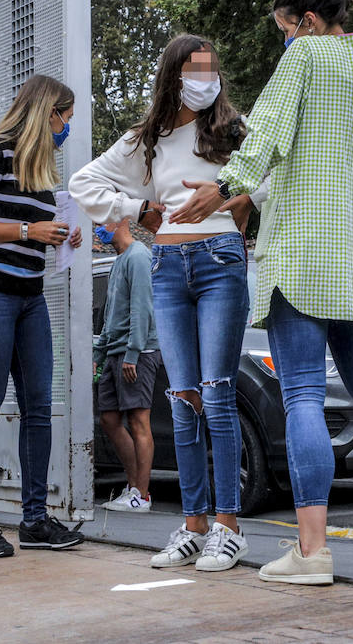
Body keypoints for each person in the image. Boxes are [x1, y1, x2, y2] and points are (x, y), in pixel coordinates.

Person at [171, 0, 353, 586]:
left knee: (300, 396)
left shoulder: (303, 59)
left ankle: (312, 550)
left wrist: (224, 186)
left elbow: (262, 134)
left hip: (301, 256)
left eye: (285, 27)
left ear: (311, 20)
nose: (284, 39)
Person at [69, 35, 262, 573]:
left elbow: (274, 177)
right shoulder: (146, 141)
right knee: (182, 398)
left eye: (213, 67)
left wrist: (234, 196)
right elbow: (84, 182)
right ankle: (194, 525)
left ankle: (229, 526)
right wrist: (136, 209)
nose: (208, 78)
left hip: (222, 259)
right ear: (175, 75)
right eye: (198, 68)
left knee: (218, 395)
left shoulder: (233, 130)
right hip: (168, 265)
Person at [0, 73, 85, 558]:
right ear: (47, 112)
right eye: (65, 118)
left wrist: (60, 235)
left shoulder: (41, 169)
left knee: (39, 408)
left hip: (30, 296)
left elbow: (32, 228)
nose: (66, 127)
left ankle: (34, 521)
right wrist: (30, 229)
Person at [95, 216, 160, 514]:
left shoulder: (138, 256)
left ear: (119, 221)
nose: (98, 226)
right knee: (109, 419)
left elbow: (142, 307)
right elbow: (111, 314)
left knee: (138, 421)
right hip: (114, 353)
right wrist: (99, 355)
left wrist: (133, 353)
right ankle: (133, 487)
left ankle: (141, 495)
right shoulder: (119, 260)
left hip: (138, 352)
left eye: (101, 220)